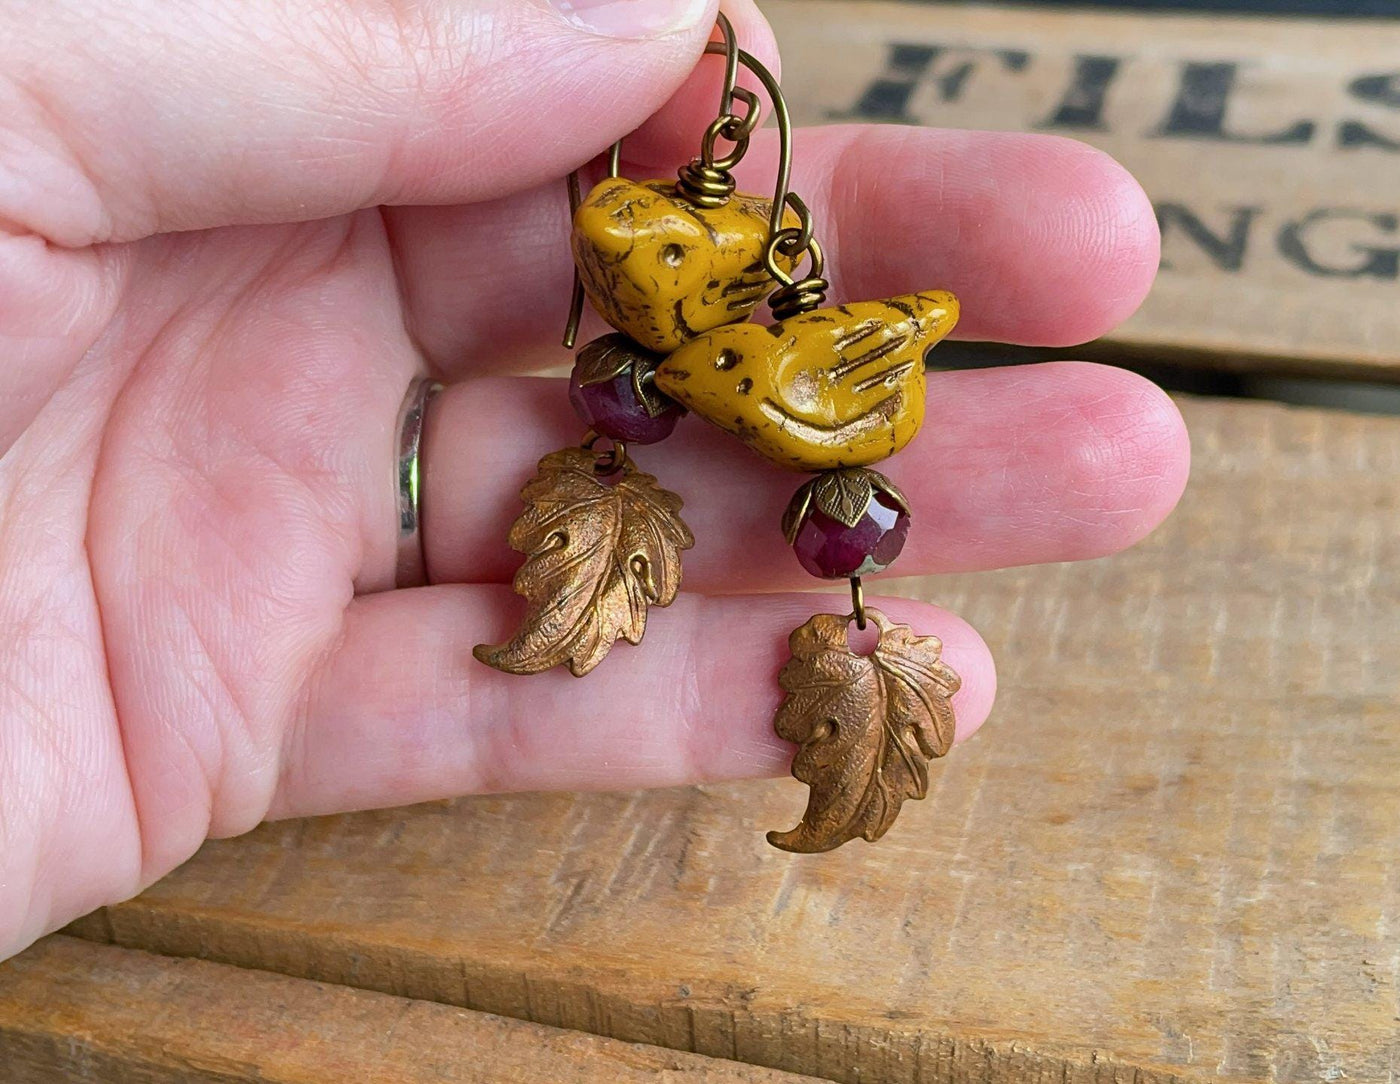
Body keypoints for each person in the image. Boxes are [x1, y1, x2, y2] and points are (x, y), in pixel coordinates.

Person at [0, 0, 1190, 962]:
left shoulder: (769, 349)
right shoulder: (668, 333)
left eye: (663, 250)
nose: (631, 254)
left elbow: (863, 340)